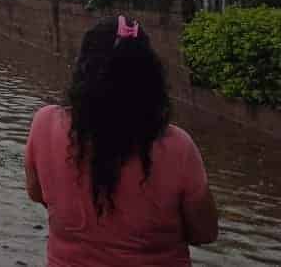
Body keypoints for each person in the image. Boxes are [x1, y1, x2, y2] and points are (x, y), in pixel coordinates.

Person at [24, 16, 219, 265]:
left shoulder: (45, 125)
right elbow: (205, 233)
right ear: (151, 79)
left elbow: (37, 194)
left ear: (82, 70)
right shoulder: (177, 147)